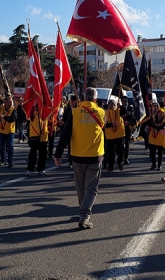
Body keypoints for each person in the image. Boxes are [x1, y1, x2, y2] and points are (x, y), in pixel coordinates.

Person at [54, 87, 105, 229]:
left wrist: (58, 155)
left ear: (83, 98)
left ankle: (83, 213)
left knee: (80, 187)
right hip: (94, 155)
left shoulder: (75, 112)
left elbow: (65, 134)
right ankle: (84, 215)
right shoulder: (101, 112)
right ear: (95, 99)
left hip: (77, 155)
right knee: (91, 188)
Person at [26, 105, 48, 176]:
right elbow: (30, 114)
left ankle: (40, 169)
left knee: (43, 154)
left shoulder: (45, 114)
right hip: (35, 136)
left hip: (43, 137)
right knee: (32, 155)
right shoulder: (33, 113)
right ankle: (29, 169)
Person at [143, 103, 165, 170]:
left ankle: (159, 165)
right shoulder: (153, 119)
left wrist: (155, 126)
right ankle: (153, 164)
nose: (159, 114)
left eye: (161, 113)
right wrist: (151, 118)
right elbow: (149, 124)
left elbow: (161, 127)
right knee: (152, 153)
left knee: (160, 153)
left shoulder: (164, 121)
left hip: (160, 138)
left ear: (163, 114)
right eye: (159, 113)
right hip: (152, 138)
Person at [104, 98, 125, 172]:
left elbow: (124, 112)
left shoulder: (118, 111)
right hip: (110, 135)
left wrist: (121, 106)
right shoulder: (105, 113)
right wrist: (111, 124)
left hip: (119, 134)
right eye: (109, 104)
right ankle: (110, 166)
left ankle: (120, 162)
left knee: (120, 150)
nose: (111, 106)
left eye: (112, 104)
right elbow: (104, 125)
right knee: (110, 151)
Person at [0, 95, 17, 168]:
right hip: (1, 130)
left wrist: (4, 117)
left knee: (10, 146)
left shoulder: (13, 109)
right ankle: (3, 160)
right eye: (9, 101)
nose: (11, 103)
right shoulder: (1, 108)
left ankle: (10, 162)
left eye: (11, 101)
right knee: (2, 147)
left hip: (10, 130)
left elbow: (13, 119)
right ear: (5, 102)